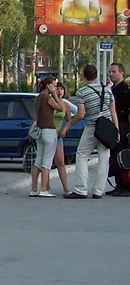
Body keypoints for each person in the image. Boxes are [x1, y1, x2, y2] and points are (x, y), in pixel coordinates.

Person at [62, 64, 118, 199]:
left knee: (82, 155)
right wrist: (116, 131)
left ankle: (81, 189)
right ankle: (98, 191)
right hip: (107, 127)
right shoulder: (107, 90)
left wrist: (69, 125)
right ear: (97, 75)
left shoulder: (82, 92)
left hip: (92, 127)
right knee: (104, 157)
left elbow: (81, 114)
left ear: (84, 76)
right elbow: (113, 112)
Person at [30, 76, 62, 197]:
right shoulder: (47, 97)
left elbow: (37, 115)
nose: (55, 88)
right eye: (53, 85)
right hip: (49, 130)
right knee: (47, 161)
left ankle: (34, 189)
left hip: (40, 131)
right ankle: (44, 189)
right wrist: (54, 94)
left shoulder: (38, 98)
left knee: (38, 160)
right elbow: (60, 108)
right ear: (48, 85)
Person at [107, 63, 130, 195]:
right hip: (114, 125)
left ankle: (126, 186)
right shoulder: (112, 90)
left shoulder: (126, 90)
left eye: (113, 71)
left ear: (121, 72)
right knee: (115, 155)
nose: (111, 74)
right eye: (110, 72)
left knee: (124, 155)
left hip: (123, 125)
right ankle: (118, 184)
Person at [51, 81, 74, 197]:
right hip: (48, 133)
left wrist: (65, 129)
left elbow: (69, 120)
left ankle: (66, 189)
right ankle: (43, 187)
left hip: (58, 135)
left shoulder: (66, 105)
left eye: (61, 89)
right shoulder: (50, 102)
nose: (59, 91)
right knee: (45, 162)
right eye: (57, 89)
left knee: (60, 162)